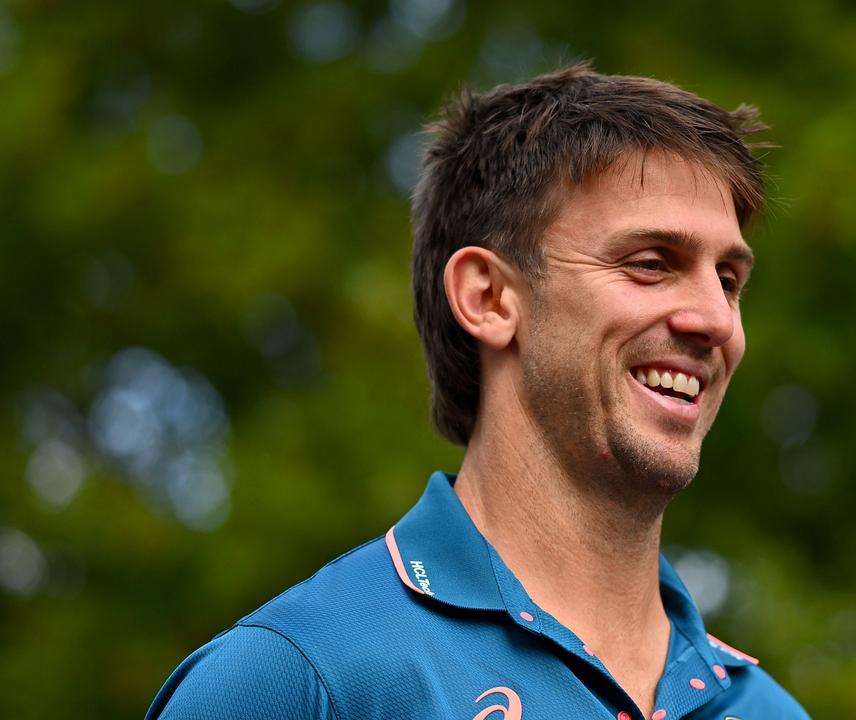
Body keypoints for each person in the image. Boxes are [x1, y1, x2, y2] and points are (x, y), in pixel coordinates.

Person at [146, 64, 809, 720]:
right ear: (489, 298)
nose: (716, 320)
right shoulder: (297, 680)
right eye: (651, 263)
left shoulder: (767, 711)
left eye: (727, 279)